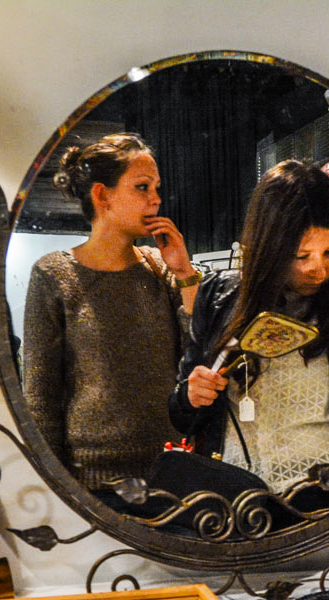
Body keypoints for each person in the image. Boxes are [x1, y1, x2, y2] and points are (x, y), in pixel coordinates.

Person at [168, 160, 329, 507]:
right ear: (268, 248)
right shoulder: (219, 297)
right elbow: (183, 416)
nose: (317, 268)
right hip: (234, 503)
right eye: (300, 255)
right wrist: (191, 396)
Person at [22, 133, 199, 492]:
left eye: (156, 188)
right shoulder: (54, 274)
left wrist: (184, 272)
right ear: (102, 195)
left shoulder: (159, 267)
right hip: (92, 480)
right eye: (142, 187)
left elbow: (199, 352)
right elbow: (40, 395)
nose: (156, 199)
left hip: (172, 470)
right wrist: (56, 486)